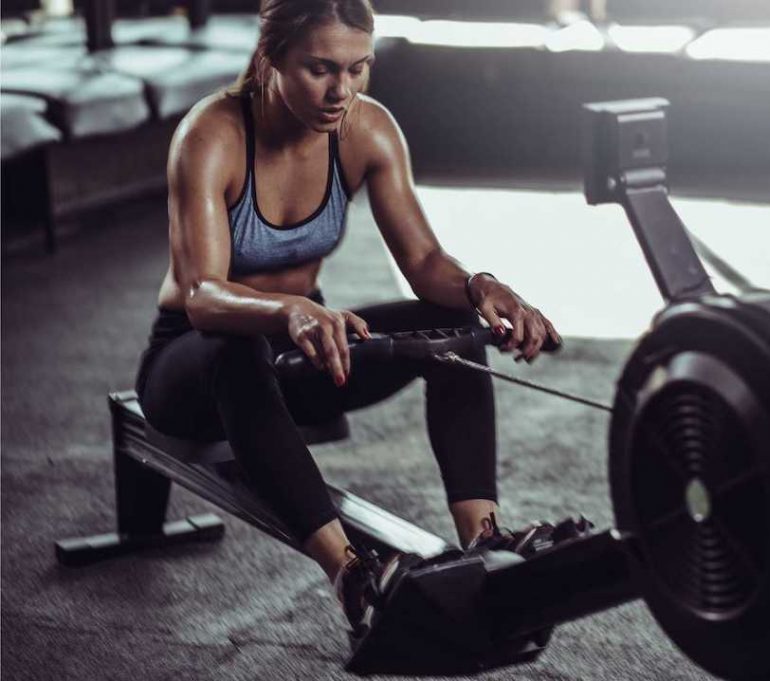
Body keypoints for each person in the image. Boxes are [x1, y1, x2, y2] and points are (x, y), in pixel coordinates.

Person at [134, 0, 566, 634]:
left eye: (358, 68)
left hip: (304, 352)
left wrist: (482, 286)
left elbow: (422, 260)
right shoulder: (212, 135)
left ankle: (485, 542)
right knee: (237, 349)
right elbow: (202, 295)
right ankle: (352, 576)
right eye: (320, 69)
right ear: (272, 57)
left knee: (444, 326)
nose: (343, 90)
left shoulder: (368, 130)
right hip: (193, 363)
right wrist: (288, 310)